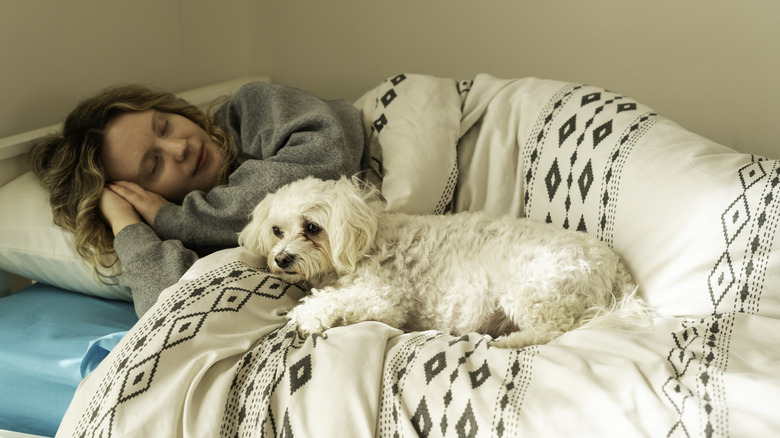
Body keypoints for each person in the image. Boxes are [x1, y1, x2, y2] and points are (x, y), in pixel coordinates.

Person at [28, 81, 369, 317]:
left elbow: (329, 154)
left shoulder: (251, 109)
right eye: (154, 164)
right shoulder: (182, 241)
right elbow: (173, 316)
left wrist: (180, 217)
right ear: (139, 193)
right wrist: (125, 222)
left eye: (164, 126)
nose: (180, 147)